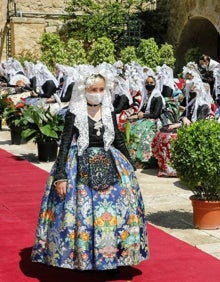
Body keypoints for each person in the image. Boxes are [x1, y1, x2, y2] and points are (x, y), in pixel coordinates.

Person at [31, 66, 149, 273]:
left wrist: (129, 163)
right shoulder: (74, 111)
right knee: (83, 213)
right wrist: (61, 176)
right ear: (84, 89)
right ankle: (83, 257)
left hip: (111, 162)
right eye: (93, 89)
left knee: (115, 213)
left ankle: (113, 256)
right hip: (80, 163)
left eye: (101, 89)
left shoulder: (108, 109)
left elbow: (117, 138)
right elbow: (65, 143)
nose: (97, 93)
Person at [125, 75, 164, 168]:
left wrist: (144, 115)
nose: (149, 85)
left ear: (155, 84)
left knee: (139, 132)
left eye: (151, 83)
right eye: (147, 83)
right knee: (129, 127)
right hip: (144, 119)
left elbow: (156, 114)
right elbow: (141, 110)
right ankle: (131, 157)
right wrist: (134, 116)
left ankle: (144, 160)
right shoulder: (146, 97)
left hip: (153, 121)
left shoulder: (157, 97)